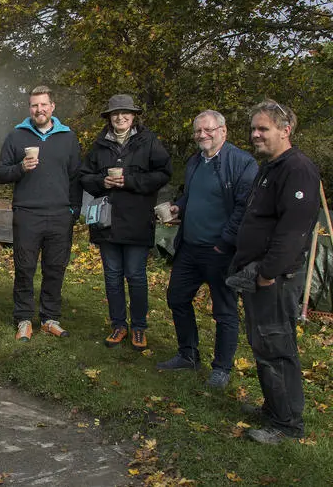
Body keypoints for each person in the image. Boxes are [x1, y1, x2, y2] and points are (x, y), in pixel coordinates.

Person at [231, 100, 320, 444]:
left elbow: (294, 230)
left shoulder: (297, 169)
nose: (255, 134)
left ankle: (287, 424)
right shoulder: (271, 167)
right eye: (253, 128)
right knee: (263, 344)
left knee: (277, 345)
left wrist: (269, 271)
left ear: (286, 130)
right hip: (257, 273)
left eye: (263, 129)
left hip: (275, 278)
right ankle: (273, 407)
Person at [156, 110, 257, 387]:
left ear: (223, 131)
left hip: (220, 250)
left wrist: (224, 242)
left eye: (208, 130)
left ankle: (222, 368)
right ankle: (187, 355)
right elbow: (192, 194)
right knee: (177, 298)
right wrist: (179, 206)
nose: (202, 135)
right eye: (198, 131)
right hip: (189, 247)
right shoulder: (195, 162)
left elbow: (243, 207)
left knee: (224, 311)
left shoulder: (242, 163)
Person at [80, 94, 172, 351]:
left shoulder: (149, 141)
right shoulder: (100, 145)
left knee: (135, 276)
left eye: (125, 113)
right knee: (111, 277)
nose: (120, 117)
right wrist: (102, 182)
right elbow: (84, 177)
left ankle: (139, 327)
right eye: (115, 114)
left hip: (137, 221)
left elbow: (164, 173)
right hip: (106, 223)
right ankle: (118, 325)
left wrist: (130, 182)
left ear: (133, 117)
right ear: (109, 118)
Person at [0, 85, 82, 341]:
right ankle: (23, 319)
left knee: (55, 268)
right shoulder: (17, 136)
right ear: (29, 108)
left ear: (52, 107)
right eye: (34, 105)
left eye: (44, 104)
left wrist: (73, 211)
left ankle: (50, 318)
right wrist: (20, 167)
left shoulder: (68, 138)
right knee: (25, 268)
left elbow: (77, 177)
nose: (39, 109)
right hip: (27, 214)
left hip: (59, 215)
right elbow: (0, 173)